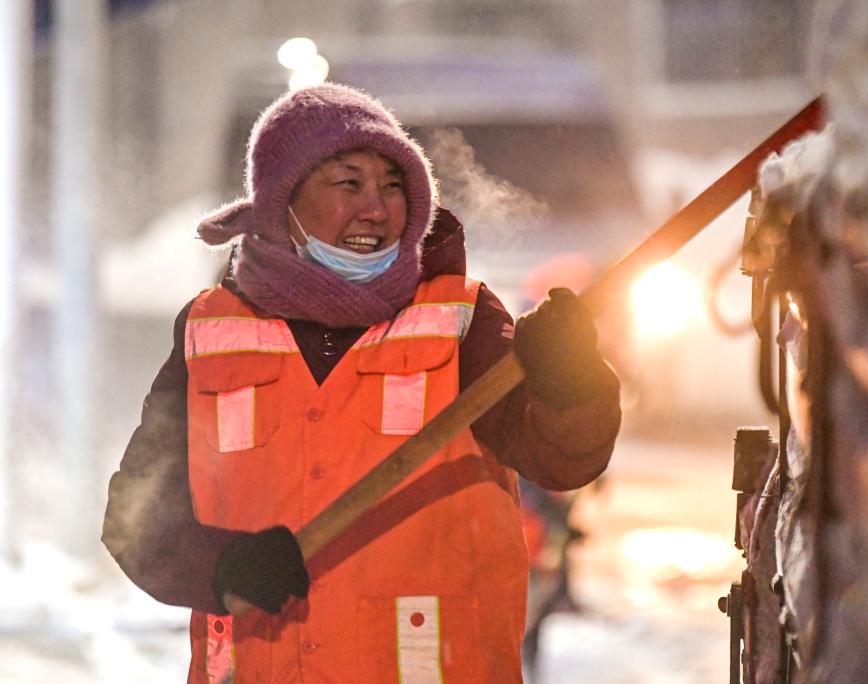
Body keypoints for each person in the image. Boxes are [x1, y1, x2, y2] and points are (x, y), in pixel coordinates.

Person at [102, 83, 621, 683]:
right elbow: (135, 519)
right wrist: (220, 567)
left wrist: (571, 383)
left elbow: (562, 460)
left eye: (393, 186)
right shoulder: (209, 332)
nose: (375, 209)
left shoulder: (460, 320)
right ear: (281, 201)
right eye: (348, 184)